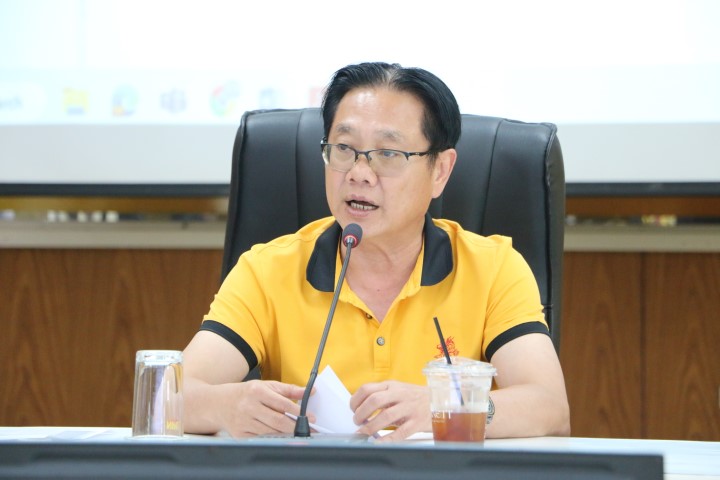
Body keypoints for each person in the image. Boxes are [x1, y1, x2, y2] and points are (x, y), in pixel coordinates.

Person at [182, 61, 570, 442]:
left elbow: (549, 407)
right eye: (344, 148)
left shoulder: (493, 268)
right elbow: (172, 395)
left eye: (388, 153)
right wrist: (226, 405)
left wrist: (446, 407)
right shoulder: (267, 270)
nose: (359, 173)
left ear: (440, 171)